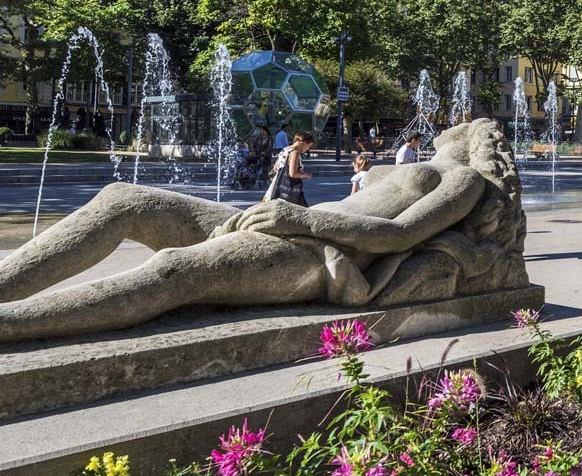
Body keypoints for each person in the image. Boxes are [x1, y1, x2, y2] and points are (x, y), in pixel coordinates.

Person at [0, 119, 529, 343]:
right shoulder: (420, 165)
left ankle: (11, 323)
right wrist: (281, 213)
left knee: (175, 271)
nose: (449, 127)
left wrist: (298, 218)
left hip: (322, 250)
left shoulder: (461, 179)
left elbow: (398, 235)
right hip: (293, 224)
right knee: (124, 199)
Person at [266, 131, 315, 206]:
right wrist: (306, 175)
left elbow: (275, 168)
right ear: (304, 143)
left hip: (276, 186)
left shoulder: (285, 150)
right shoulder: (295, 152)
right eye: (309, 146)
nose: (308, 149)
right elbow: (293, 174)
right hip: (289, 189)